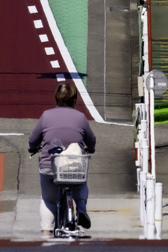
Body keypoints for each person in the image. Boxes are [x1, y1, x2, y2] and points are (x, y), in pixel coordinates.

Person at [28, 81, 96, 235]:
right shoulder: (80, 117)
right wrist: (89, 148)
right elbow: (91, 140)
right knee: (81, 184)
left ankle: (46, 234)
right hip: (75, 167)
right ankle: (81, 208)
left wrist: (33, 148)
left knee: (48, 199)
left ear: (56, 99)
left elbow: (33, 140)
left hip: (50, 166)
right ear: (74, 99)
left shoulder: (46, 115)